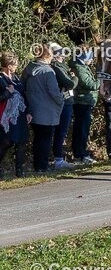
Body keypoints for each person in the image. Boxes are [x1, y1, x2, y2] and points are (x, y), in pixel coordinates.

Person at [22, 44, 64, 173]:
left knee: (38, 138)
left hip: (33, 108)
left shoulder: (28, 68)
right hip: (47, 110)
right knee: (45, 139)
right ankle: (43, 166)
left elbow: (23, 86)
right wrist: (61, 98)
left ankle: (37, 165)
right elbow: (54, 92)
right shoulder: (48, 71)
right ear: (47, 55)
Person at [0, 52, 30, 179]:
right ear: (8, 65)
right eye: (15, 65)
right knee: (6, 142)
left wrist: (28, 111)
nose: (17, 67)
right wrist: (8, 93)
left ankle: (20, 171)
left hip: (20, 115)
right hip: (6, 117)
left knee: (21, 142)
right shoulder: (1, 79)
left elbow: (23, 94)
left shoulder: (16, 78)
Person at [48, 42, 77, 170]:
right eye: (60, 54)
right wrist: (75, 78)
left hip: (67, 101)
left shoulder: (62, 66)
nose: (63, 57)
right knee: (60, 132)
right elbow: (69, 84)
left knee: (62, 132)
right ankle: (58, 159)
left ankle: (58, 157)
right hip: (63, 102)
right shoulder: (56, 67)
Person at [70, 43, 99, 164]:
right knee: (81, 129)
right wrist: (100, 79)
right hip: (82, 102)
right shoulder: (79, 68)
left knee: (83, 129)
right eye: (90, 57)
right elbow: (91, 85)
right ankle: (80, 153)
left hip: (85, 102)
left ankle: (81, 152)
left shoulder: (82, 67)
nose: (92, 59)